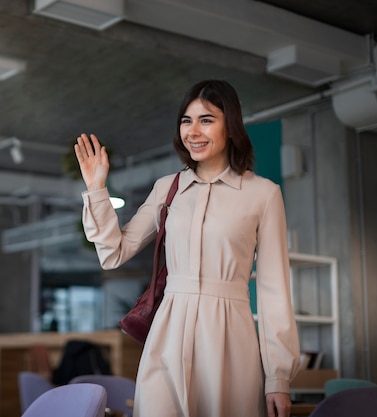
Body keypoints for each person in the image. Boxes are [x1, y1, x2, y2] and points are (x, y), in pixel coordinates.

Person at [74, 79, 300, 417]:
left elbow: (274, 290)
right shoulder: (168, 188)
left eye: (206, 120)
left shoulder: (263, 194)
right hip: (169, 330)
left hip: (229, 334)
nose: (193, 131)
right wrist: (96, 188)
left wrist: (278, 378)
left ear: (231, 125)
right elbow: (113, 253)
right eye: (186, 120)